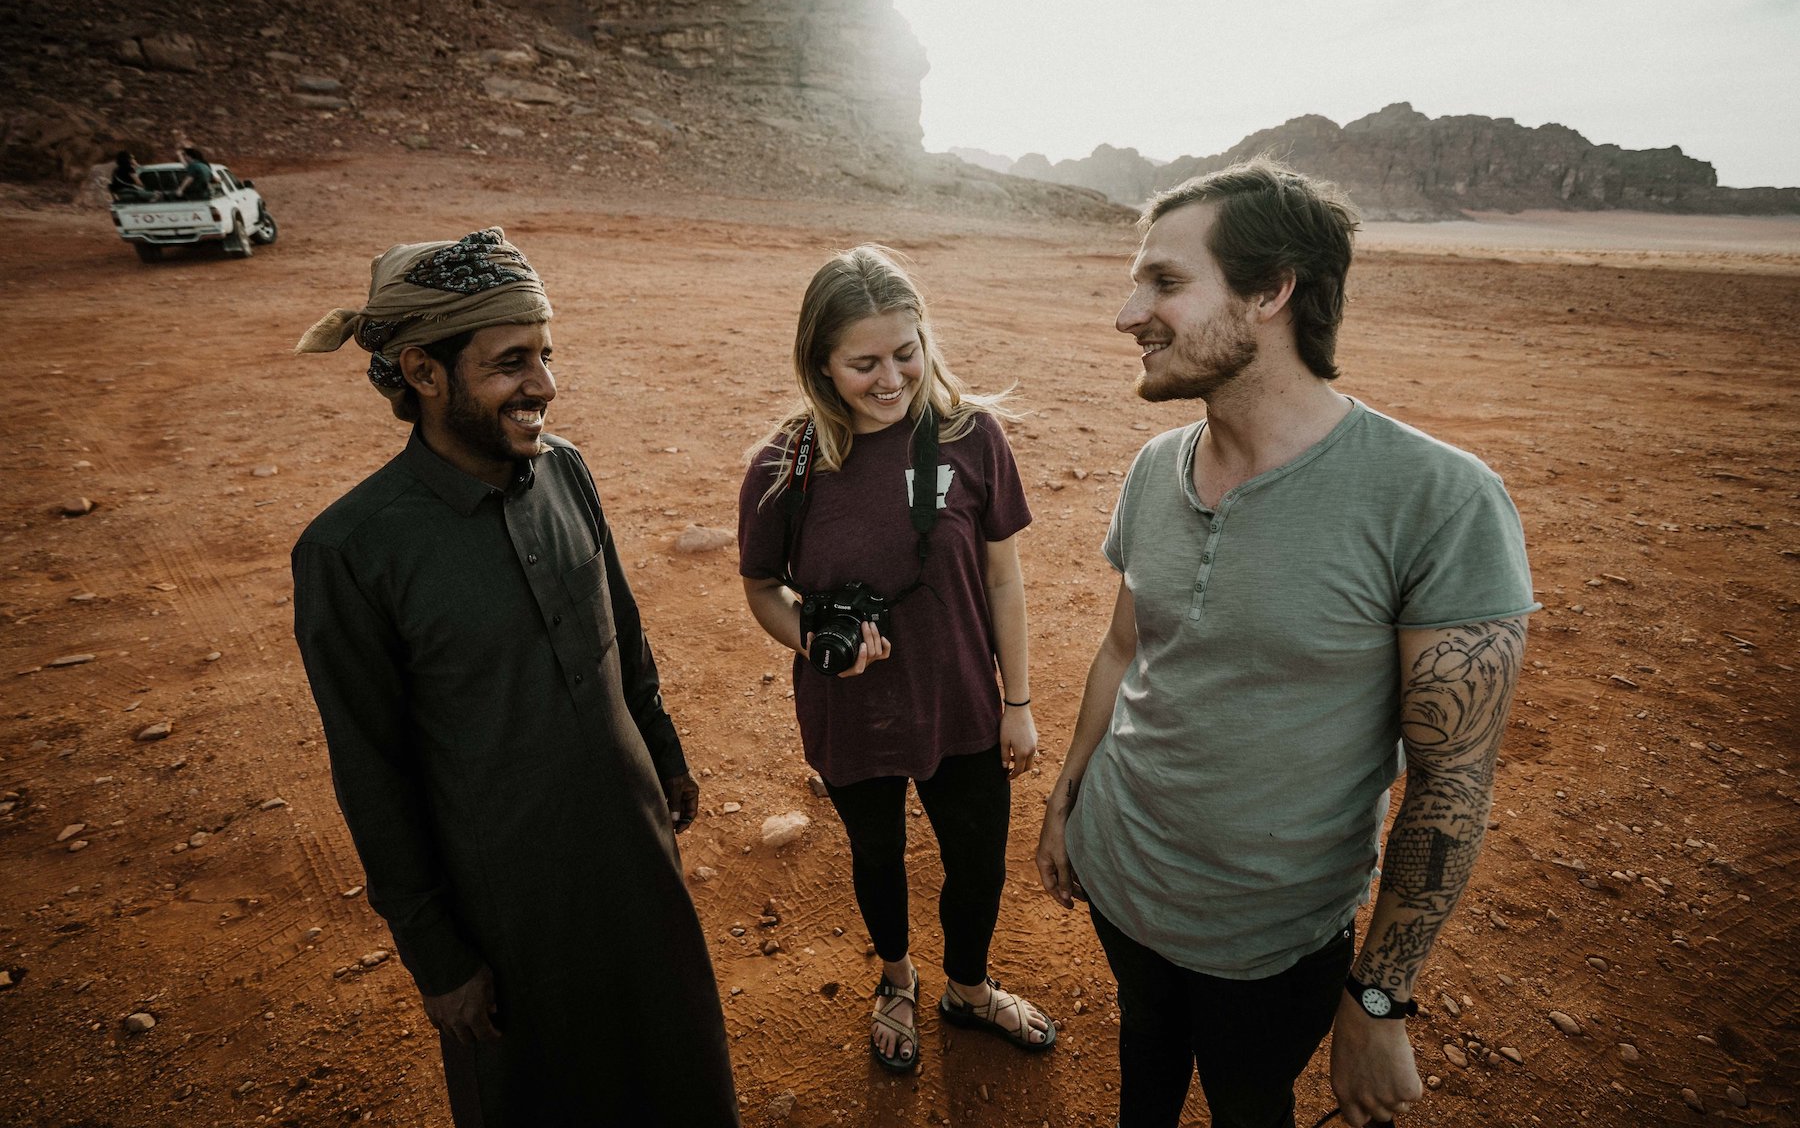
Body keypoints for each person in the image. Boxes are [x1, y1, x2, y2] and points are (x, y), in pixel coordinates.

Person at [1035, 160, 1536, 1128]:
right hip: (1123, 874)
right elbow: (1124, 649)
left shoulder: (1435, 499)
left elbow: (1450, 782)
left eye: (1167, 283)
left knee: (1247, 1100)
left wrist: (1379, 995)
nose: (1127, 313)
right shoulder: (1154, 468)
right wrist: (1068, 800)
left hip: (1271, 939)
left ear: (1272, 292)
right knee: (1145, 1064)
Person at [290, 227, 739, 1127]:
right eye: (509, 363)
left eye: (546, 354)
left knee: (680, 1069)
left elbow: (623, 633)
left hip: (634, 851)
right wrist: (438, 957)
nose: (544, 384)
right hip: (505, 903)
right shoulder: (352, 551)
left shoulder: (565, 470)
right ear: (423, 371)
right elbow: (371, 776)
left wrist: (664, 754)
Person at [737, 245, 1055, 1072]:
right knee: (877, 857)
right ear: (820, 362)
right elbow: (764, 586)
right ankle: (895, 979)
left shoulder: (969, 435)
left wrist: (1017, 703)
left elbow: (1003, 579)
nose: (890, 379)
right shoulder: (788, 462)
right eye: (863, 363)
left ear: (926, 340)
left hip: (961, 700)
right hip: (852, 710)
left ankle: (969, 987)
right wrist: (810, 640)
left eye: (906, 353)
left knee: (978, 861)